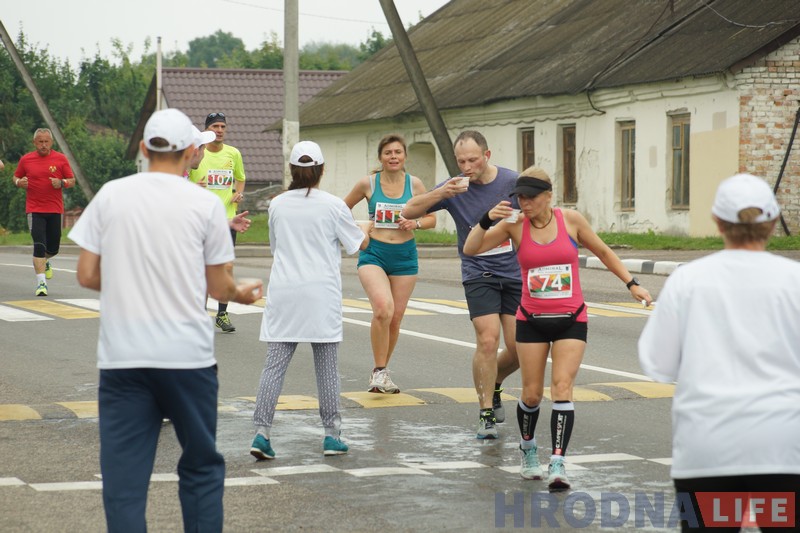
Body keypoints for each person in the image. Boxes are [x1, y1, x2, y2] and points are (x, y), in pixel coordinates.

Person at [69, 108, 263, 532]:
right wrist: (241, 292)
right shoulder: (204, 205)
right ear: (192, 151)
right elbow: (219, 287)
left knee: (124, 477)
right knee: (200, 467)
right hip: (186, 360)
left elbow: (86, 274)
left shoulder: (112, 195)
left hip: (123, 358)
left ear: (143, 149)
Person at [463, 167, 652, 490]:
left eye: (531, 197)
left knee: (562, 388)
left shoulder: (571, 221)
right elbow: (471, 248)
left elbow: (603, 251)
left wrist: (631, 284)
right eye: (520, 197)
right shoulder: (515, 226)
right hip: (531, 321)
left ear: (549, 195)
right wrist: (485, 219)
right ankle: (528, 450)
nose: (524, 203)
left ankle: (558, 462)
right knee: (532, 394)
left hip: (571, 318)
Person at [638, 173, 800, 532]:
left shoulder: (688, 280)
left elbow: (658, 364)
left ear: (717, 222)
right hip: (784, 448)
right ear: (773, 223)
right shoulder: (795, 280)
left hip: (707, 449)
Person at [250, 141, 369, 460]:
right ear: (321, 171)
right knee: (327, 367)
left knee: (274, 366)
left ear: (291, 170)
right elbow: (357, 244)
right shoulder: (334, 205)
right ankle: (332, 435)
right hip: (321, 294)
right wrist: (366, 229)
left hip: (285, 292)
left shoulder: (277, 204)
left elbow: (276, 247)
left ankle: (262, 432)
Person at [402, 130, 521, 440]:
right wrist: (441, 194)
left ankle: (493, 381)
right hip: (477, 270)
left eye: (473, 159)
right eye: (461, 161)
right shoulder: (453, 187)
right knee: (487, 339)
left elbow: (538, 213)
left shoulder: (511, 182)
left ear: (487, 156)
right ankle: (485, 412)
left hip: (513, 272)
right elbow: (409, 211)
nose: (467, 166)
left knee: (520, 348)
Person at [344, 133, 436, 394]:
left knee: (395, 318)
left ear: (404, 156)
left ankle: (382, 371)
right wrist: (360, 227)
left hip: (405, 257)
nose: (393, 157)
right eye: (388, 153)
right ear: (380, 157)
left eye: (398, 152)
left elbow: (432, 219)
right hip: (374, 254)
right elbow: (341, 211)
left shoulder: (415, 185)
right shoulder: (368, 184)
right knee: (383, 309)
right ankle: (378, 371)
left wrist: (415, 223)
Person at [189, 112, 247, 333]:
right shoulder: (197, 155)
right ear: (206, 130)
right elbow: (184, 180)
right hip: (202, 219)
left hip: (227, 219)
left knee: (227, 266)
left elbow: (240, 178)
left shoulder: (233, 153)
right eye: (215, 126)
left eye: (223, 126)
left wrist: (238, 194)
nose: (220, 130)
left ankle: (222, 313)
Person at [13, 128, 75, 296]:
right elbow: (16, 176)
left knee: (53, 248)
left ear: (51, 142)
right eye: (40, 142)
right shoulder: (26, 160)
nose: (43, 145)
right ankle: (41, 284)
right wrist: (19, 182)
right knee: (39, 245)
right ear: (35, 143)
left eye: (46, 141)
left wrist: (61, 183)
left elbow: (72, 180)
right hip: (34, 210)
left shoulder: (60, 159)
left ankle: (45, 261)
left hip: (54, 209)